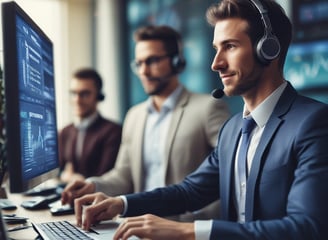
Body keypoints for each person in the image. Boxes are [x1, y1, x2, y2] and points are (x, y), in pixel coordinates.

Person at [73, 0, 328, 239]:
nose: (215, 63)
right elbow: (190, 191)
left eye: (230, 46)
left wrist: (187, 231)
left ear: (268, 49)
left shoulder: (312, 123)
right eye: (217, 49)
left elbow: (306, 227)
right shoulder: (233, 130)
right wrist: (122, 204)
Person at [61, 26, 230, 221]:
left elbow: (230, 171)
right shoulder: (134, 116)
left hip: (187, 227)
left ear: (177, 61)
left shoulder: (208, 108)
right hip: (140, 226)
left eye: (152, 61)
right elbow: (123, 175)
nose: (143, 71)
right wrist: (93, 185)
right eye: (139, 63)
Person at [58, 68, 122, 182]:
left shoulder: (113, 132)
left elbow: (106, 178)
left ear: (99, 96)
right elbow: (57, 173)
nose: (77, 100)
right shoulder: (64, 132)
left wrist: (74, 178)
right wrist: (64, 176)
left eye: (84, 94)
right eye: (73, 93)